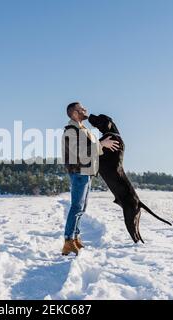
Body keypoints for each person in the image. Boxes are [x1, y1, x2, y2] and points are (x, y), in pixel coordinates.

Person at [61, 102, 119, 256]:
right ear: (74, 113)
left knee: (81, 208)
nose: (85, 110)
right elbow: (80, 152)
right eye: (82, 109)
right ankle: (68, 241)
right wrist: (102, 143)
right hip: (79, 172)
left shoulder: (82, 129)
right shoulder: (71, 131)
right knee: (76, 207)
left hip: (86, 172)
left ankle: (75, 237)